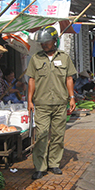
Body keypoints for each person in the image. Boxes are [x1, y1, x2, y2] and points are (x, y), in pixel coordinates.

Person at [26, 26, 77, 180]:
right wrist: (29, 100)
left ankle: (54, 163)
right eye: (42, 43)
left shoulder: (64, 57)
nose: (44, 45)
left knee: (58, 135)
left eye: (47, 42)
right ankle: (40, 166)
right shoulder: (36, 58)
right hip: (41, 103)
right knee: (41, 135)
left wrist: (72, 97)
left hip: (60, 103)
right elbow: (32, 80)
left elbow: (69, 78)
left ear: (55, 41)